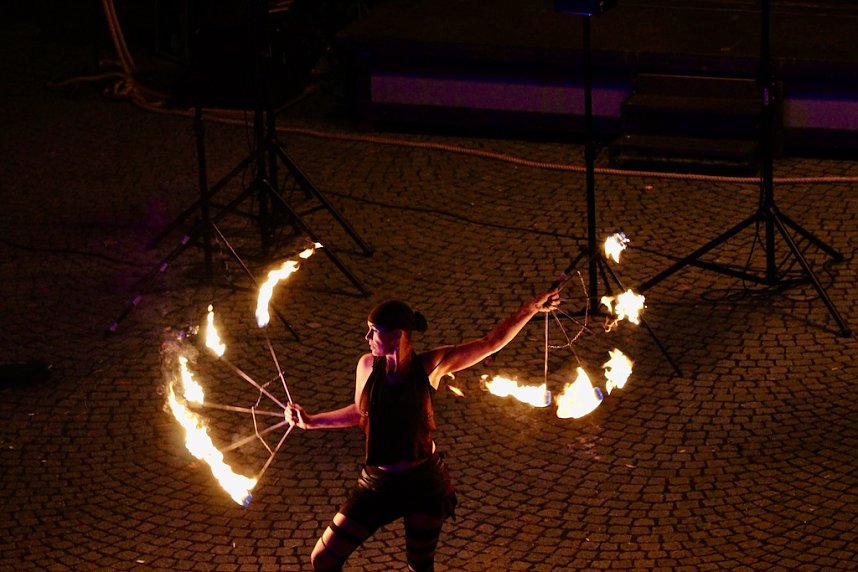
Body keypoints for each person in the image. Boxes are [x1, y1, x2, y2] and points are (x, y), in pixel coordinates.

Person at [285, 288, 561, 571]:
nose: (367, 338)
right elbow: (360, 412)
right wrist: (311, 420)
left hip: (423, 484)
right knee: (323, 558)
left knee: (419, 566)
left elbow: (490, 342)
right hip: (377, 483)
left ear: (397, 335)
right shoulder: (366, 366)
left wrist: (531, 308)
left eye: (373, 331)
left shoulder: (431, 366)